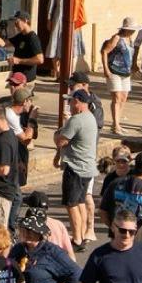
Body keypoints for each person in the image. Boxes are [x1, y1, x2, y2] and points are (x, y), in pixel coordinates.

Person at [55, 88, 100, 246]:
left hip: (76, 168)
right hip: (87, 168)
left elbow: (61, 141)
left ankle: (77, 238)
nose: (69, 104)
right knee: (80, 202)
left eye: (71, 101)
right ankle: (81, 236)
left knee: (72, 204)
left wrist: (60, 131)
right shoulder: (90, 118)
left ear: (78, 102)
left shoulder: (76, 120)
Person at [101, 20, 137, 137]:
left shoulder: (130, 40)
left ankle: (117, 123)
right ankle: (116, 125)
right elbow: (105, 51)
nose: (133, 31)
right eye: (131, 28)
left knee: (123, 97)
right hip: (114, 71)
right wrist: (106, 69)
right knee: (117, 97)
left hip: (126, 72)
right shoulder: (117, 38)